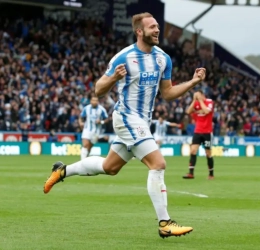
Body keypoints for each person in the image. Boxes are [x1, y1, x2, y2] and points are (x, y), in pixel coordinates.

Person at [43, 12, 206, 238]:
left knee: (110, 167)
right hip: (126, 117)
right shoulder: (124, 57)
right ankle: (165, 223)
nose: (157, 30)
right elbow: (98, 90)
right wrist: (112, 79)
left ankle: (62, 171)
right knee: (158, 164)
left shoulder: (163, 59)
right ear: (139, 32)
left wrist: (193, 82)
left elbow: (167, 93)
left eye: (157, 26)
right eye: (151, 27)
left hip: (141, 122)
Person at [183, 90, 214, 180]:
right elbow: (188, 111)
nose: (197, 97)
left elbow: (207, 111)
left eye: (198, 95)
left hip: (207, 132)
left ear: (202, 95)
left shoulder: (209, 101)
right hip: (197, 131)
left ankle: (211, 174)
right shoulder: (195, 103)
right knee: (193, 151)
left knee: (208, 153)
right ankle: (191, 173)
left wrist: (200, 100)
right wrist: (194, 100)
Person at [79, 95, 109, 160]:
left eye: (96, 100)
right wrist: (80, 123)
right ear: (90, 101)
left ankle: (85, 159)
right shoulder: (86, 108)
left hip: (96, 132)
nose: (94, 102)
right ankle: (82, 162)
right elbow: (81, 117)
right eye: (93, 100)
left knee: (89, 148)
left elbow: (107, 119)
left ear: (98, 101)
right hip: (87, 129)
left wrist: (101, 122)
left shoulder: (102, 109)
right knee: (85, 145)